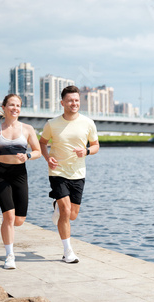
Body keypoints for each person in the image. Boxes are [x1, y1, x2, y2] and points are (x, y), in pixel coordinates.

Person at [0, 94, 41, 269]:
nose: (15, 108)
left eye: (18, 105)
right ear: (4, 107)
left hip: (20, 175)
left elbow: (38, 151)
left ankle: (8, 228)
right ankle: (9, 255)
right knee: (9, 216)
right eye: (11, 105)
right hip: (1, 174)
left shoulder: (27, 129)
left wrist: (28, 155)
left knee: (19, 220)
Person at [39, 85, 99, 263]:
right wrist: (47, 157)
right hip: (57, 171)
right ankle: (68, 251)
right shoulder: (52, 124)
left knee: (72, 215)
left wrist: (86, 151)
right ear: (62, 102)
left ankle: (58, 207)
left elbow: (96, 146)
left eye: (77, 100)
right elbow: (42, 143)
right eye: (70, 100)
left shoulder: (88, 123)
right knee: (65, 211)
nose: (74, 103)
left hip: (78, 173)